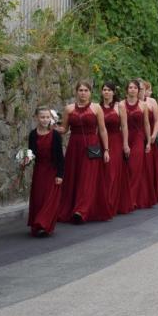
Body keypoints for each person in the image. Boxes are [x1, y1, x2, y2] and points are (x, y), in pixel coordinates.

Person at [57, 81, 110, 224]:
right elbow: (64, 129)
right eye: (80, 90)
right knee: (74, 177)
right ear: (76, 92)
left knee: (88, 178)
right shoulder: (68, 109)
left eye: (86, 90)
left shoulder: (96, 108)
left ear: (90, 92)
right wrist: (51, 125)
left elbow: (103, 129)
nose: (83, 93)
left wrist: (106, 150)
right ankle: (72, 207)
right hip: (74, 146)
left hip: (93, 146)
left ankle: (81, 211)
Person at [23, 107, 64, 237]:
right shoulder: (33, 135)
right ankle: (37, 223)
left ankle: (44, 224)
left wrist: (60, 174)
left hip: (52, 170)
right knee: (39, 198)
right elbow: (31, 153)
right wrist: (25, 161)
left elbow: (60, 157)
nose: (45, 120)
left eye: (47, 117)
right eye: (42, 117)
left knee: (49, 198)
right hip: (39, 170)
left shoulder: (55, 135)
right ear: (36, 118)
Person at [100, 82, 131, 218]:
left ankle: (112, 204)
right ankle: (104, 202)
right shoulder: (98, 107)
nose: (106, 92)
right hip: (101, 141)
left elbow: (124, 126)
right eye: (104, 90)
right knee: (103, 173)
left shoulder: (120, 107)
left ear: (113, 92)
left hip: (116, 141)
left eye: (108, 90)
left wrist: (125, 144)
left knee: (112, 172)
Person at [123, 80, 152, 211]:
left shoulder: (143, 105)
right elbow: (122, 125)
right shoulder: (121, 105)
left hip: (138, 138)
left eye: (135, 88)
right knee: (126, 168)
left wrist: (149, 141)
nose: (133, 90)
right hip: (125, 136)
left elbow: (146, 123)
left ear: (138, 90)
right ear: (126, 90)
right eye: (130, 87)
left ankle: (133, 199)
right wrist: (124, 143)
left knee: (134, 167)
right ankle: (125, 197)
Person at [142, 80, 158, 203]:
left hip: (151, 135)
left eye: (145, 89)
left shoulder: (152, 102)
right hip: (138, 135)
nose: (143, 91)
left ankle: (153, 189)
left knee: (151, 163)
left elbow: (157, 120)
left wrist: (155, 134)